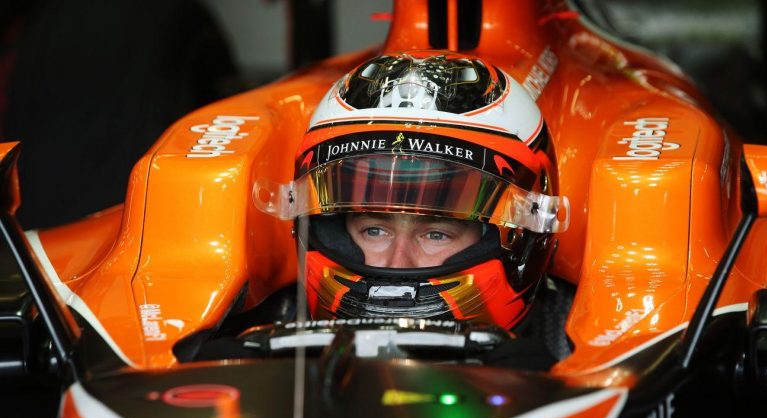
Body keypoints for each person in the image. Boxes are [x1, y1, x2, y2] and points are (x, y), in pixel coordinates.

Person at [197, 51, 574, 367]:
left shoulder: (572, 352)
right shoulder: (247, 351)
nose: (397, 262)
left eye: (436, 233)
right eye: (374, 230)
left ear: (523, 238)